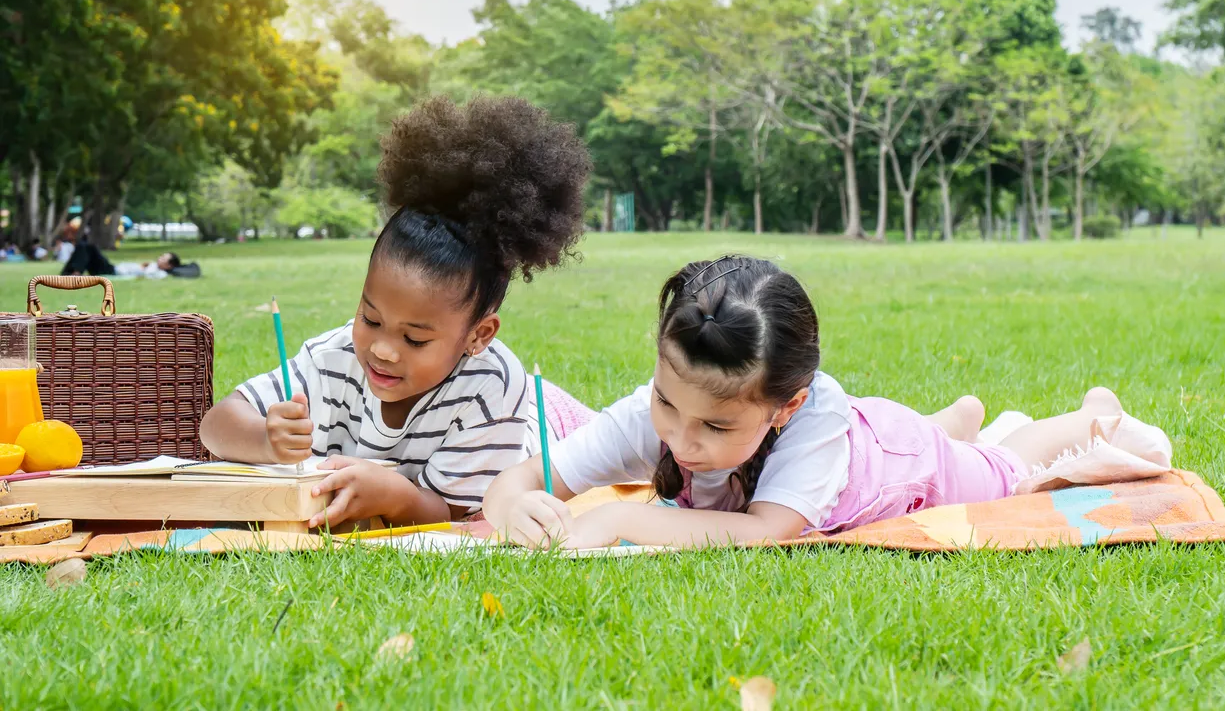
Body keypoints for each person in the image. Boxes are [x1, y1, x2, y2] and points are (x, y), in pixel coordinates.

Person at [483, 255, 1172, 549]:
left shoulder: (810, 424)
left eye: (716, 426)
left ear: (784, 407)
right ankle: (952, 420)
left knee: (999, 471)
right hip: (864, 441)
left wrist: (617, 523)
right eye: (669, 406)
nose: (682, 440)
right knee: (940, 439)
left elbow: (761, 533)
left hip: (900, 466)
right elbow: (520, 477)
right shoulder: (660, 410)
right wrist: (514, 505)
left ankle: (1081, 416)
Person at [199, 95, 591, 530]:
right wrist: (265, 440)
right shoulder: (333, 357)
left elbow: (456, 515)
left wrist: (394, 496)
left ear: (479, 335)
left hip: (536, 431)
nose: (382, 350)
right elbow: (214, 427)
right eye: (371, 319)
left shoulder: (491, 394)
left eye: (415, 339)